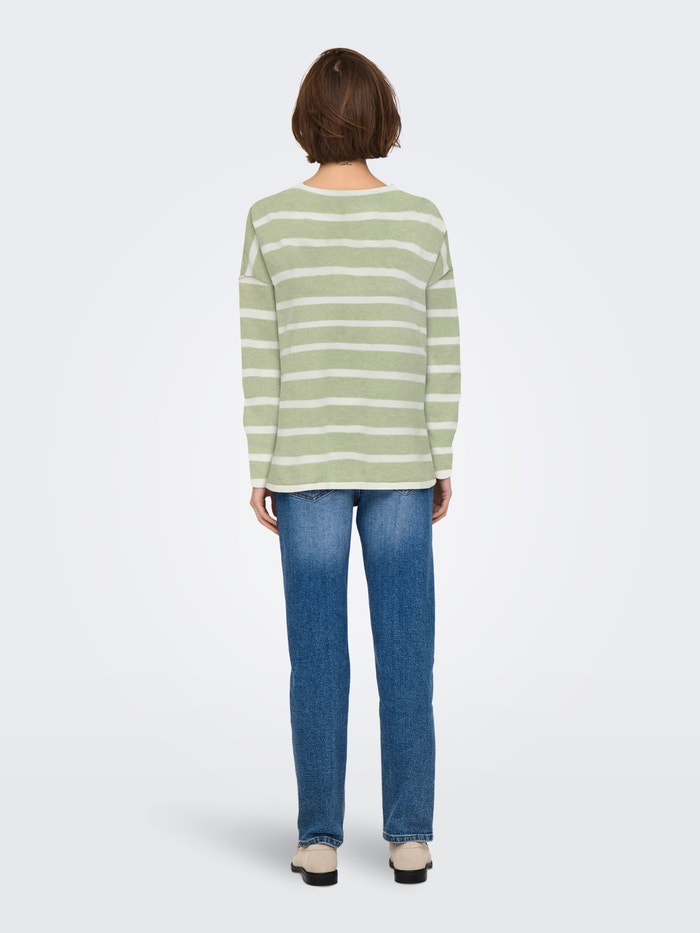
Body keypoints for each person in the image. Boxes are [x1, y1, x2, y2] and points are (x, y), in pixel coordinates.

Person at [238, 48, 461, 886]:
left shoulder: (270, 219)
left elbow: (261, 355)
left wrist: (261, 462)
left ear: (307, 118)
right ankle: (410, 837)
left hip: (306, 463)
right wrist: (441, 454)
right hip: (401, 457)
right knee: (407, 652)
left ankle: (319, 838)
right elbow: (442, 351)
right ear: (381, 116)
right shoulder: (422, 220)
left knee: (317, 657)